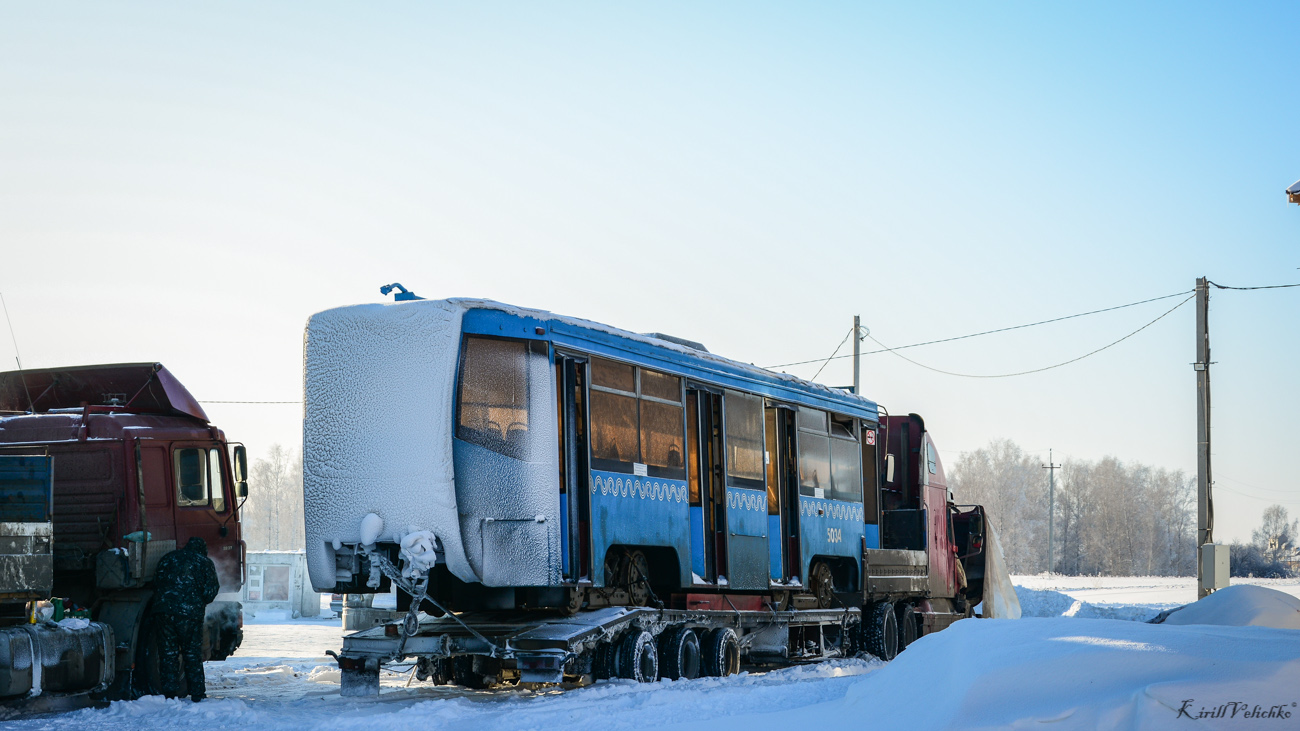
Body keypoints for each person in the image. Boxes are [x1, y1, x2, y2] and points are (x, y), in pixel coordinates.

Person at [151, 536, 221, 701]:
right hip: (189, 615)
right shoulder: (204, 562)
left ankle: (169, 694)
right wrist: (197, 602)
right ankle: (197, 694)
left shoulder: (168, 558)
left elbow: (156, 583)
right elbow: (211, 591)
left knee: (168, 653)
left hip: (163, 612)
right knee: (191, 653)